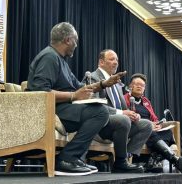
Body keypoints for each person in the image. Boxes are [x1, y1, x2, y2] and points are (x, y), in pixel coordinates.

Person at [27, 22, 125, 176]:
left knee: (99, 111)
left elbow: (80, 87)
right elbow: (39, 91)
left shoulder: (61, 61)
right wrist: (73, 96)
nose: (76, 45)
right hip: (49, 109)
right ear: (67, 40)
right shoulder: (49, 57)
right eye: (75, 41)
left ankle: (74, 157)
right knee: (99, 113)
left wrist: (104, 84)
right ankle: (67, 158)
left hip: (62, 108)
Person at [90, 50, 152, 173]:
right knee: (123, 119)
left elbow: (124, 109)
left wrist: (133, 114)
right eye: (111, 59)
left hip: (118, 125)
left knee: (146, 125)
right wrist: (122, 113)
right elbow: (94, 104)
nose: (115, 63)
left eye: (117, 60)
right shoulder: (94, 77)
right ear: (101, 62)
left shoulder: (116, 83)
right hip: (101, 124)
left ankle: (126, 159)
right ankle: (121, 161)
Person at [123, 72, 182, 173]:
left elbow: (154, 118)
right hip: (136, 129)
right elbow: (126, 118)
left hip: (151, 130)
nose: (140, 87)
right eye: (137, 84)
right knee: (148, 130)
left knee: (168, 132)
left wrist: (158, 125)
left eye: (142, 85)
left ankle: (153, 159)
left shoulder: (146, 102)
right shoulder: (124, 99)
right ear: (130, 86)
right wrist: (149, 125)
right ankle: (173, 159)